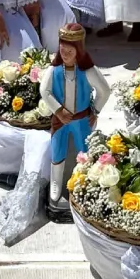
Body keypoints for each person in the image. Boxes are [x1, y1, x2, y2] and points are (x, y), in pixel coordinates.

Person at [42, 24, 110, 222]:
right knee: (57, 151)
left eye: (70, 47)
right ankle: (56, 184)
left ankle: (84, 183)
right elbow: (44, 92)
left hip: (81, 119)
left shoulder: (87, 71)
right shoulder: (54, 70)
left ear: (79, 48)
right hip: (60, 121)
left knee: (85, 152)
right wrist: (58, 110)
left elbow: (104, 91)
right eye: (63, 45)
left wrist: (95, 110)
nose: (65, 51)